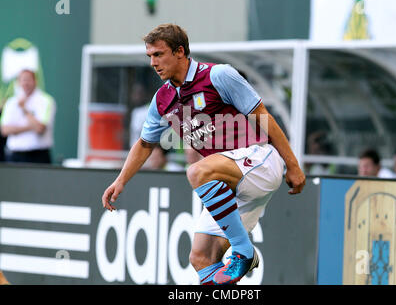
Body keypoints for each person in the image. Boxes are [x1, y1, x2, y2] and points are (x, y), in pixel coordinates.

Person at [101, 24, 306, 285]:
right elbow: (144, 144)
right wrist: (120, 181)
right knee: (201, 257)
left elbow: (263, 117)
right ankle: (241, 252)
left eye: (159, 54)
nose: (153, 62)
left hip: (259, 161)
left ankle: (244, 251)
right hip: (229, 183)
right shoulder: (162, 99)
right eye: (150, 56)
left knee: (197, 171)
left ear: (180, 52)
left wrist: (293, 165)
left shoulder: (218, 76)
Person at [0, 69, 56, 164]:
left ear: (35, 81)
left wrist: (24, 109)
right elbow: (4, 130)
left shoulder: (46, 100)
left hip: (38, 156)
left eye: (28, 80)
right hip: (15, 156)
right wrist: (30, 127)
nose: (25, 83)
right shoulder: (11, 102)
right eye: (23, 80)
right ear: (18, 82)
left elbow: (40, 128)